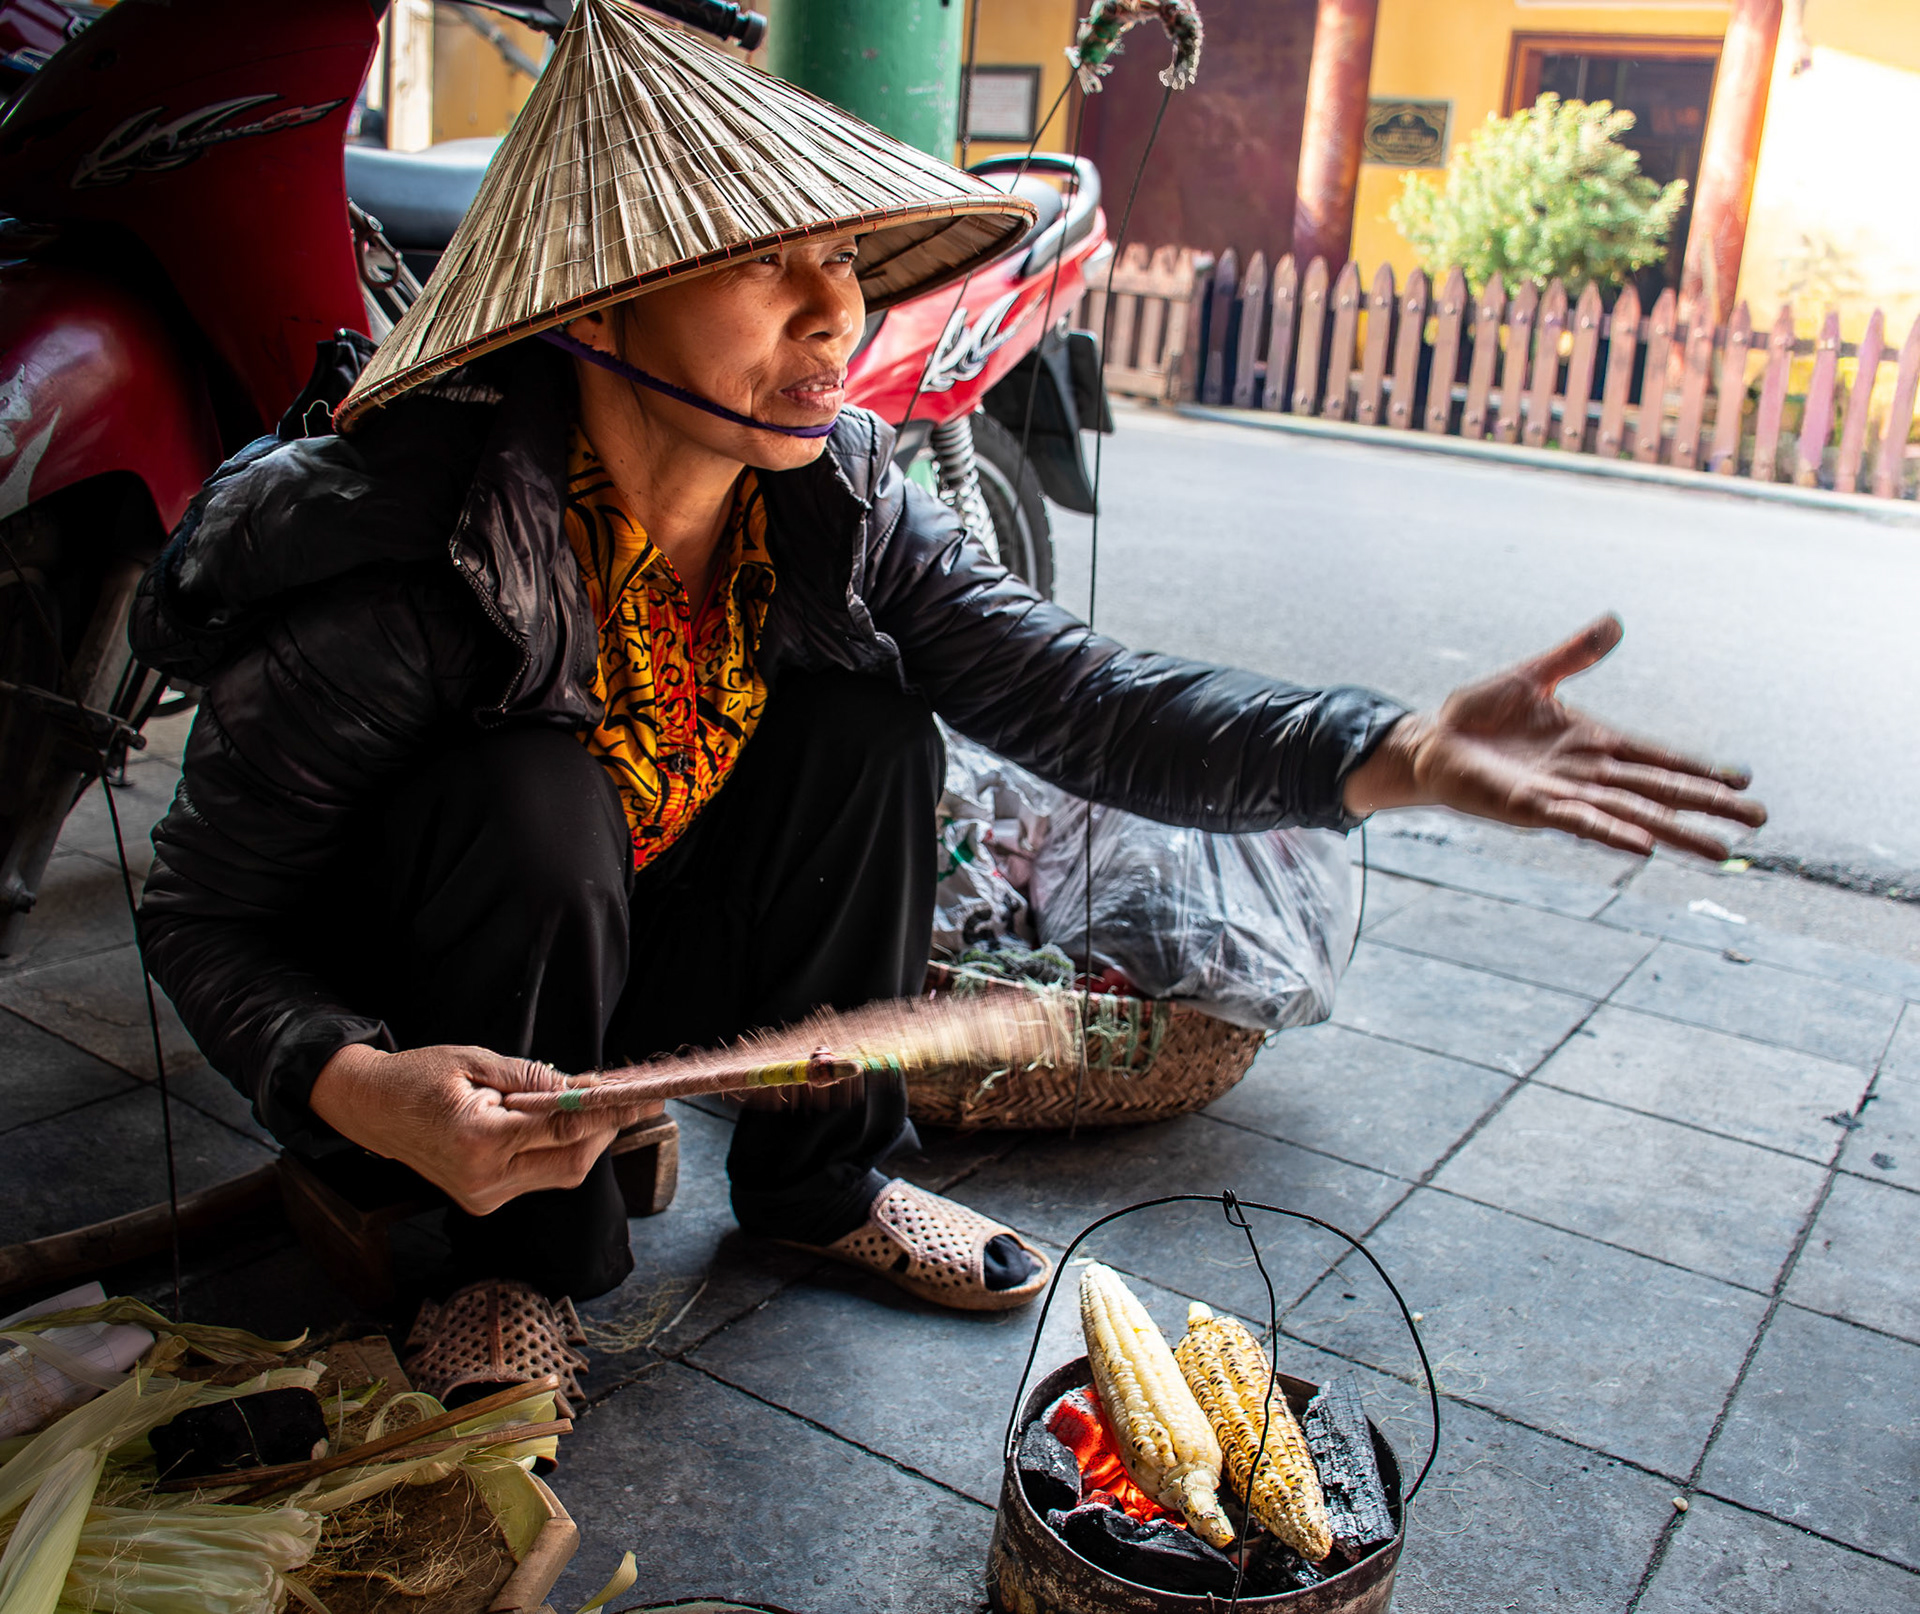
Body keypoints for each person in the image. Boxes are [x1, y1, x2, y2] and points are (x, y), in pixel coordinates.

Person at [130, 0, 1764, 1410]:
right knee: (533, 799)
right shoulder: (417, 550)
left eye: (838, 255)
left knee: (867, 725)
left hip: (627, 981)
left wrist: (1382, 749)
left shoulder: (830, 502)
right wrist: (350, 1081)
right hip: (433, 1030)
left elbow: (1080, 695)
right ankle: (506, 1269)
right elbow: (202, 912)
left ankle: (821, 1177)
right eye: (762, 268)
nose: (834, 313)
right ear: (600, 308)